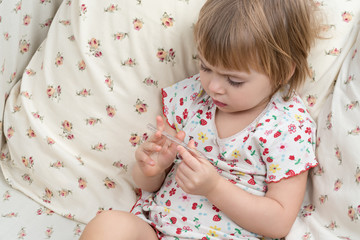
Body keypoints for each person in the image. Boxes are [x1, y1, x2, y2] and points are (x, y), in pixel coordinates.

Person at [80, 0, 321, 239]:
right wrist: (152, 169)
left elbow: (279, 223)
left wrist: (214, 188)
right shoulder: (192, 99)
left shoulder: (288, 127)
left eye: (234, 80)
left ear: (283, 72)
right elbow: (147, 185)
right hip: (156, 229)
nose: (213, 86)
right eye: (205, 67)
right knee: (109, 225)